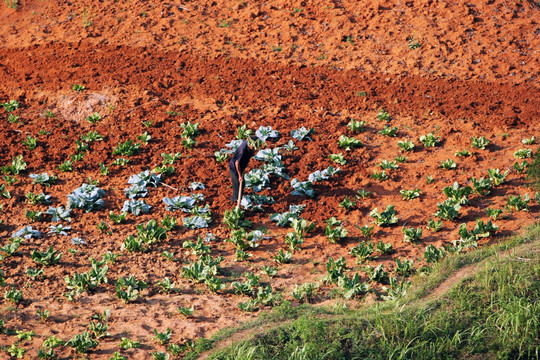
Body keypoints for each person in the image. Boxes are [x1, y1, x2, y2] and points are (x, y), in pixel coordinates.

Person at [229, 137, 256, 203]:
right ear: (250, 144)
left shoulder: (250, 143)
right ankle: (235, 200)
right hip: (234, 168)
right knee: (237, 185)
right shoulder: (242, 150)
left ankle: (239, 198)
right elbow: (237, 163)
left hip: (241, 167)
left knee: (242, 183)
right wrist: (240, 176)